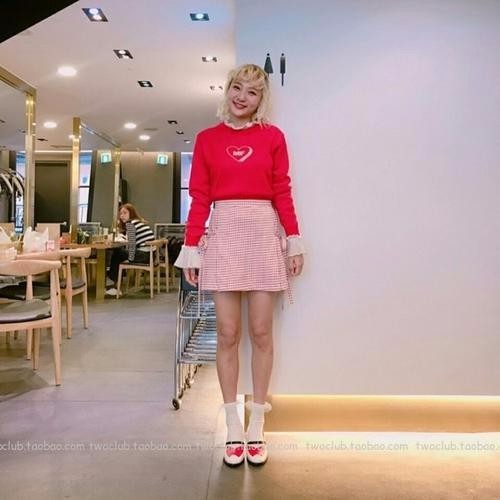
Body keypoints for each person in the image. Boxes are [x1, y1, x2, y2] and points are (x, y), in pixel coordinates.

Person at [175, 63, 305, 466]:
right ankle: (232, 422)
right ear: (227, 89)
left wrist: (293, 239)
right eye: (237, 87)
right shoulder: (207, 139)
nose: (242, 97)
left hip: (263, 233)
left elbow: (282, 190)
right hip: (224, 233)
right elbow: (200, 195)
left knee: (261, 332)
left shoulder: (273, 137)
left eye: (252, 91)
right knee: (227, 333)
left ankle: (257, 422)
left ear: (261, 98)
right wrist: (191, 246)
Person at [105, 203, 155, 296]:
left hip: (144, 255)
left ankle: (112, 285)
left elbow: (131, 244)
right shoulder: (139, 222)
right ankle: (112, 283)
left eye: (125, 213)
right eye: (120, 213)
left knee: (117, 253)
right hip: (151, 256)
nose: (122, 216)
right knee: (119, 254)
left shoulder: (131, 224)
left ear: (131, 213)